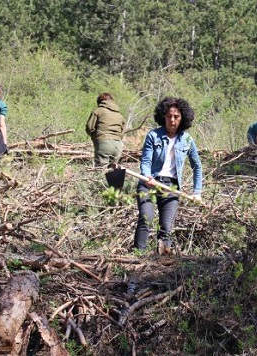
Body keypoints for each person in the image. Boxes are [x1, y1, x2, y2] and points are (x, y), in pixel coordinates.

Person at [133, 97, 203, 255]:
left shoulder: (187, 140)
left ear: (182, 118)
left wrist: (197, 191)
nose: (172, 120)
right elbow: (145, 160)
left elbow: (197, 166)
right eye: (169, 116)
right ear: (163, 117)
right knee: (146, 218)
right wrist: (147, 176)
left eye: (176, 117)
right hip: (148, 183)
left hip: (171, 187)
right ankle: (137, 257)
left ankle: (161, 261)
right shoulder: (153, 136)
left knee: (166, 227)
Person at [85, 92, 125, 167]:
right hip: (118, 146)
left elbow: (89, 127)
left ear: (100, 102)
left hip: (104, 144)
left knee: (101, 172)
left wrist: (95, 136)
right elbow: (122, 132)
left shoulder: (98, 111)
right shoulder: (120, 115)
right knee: (113, 173)